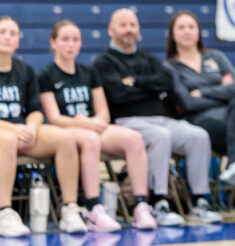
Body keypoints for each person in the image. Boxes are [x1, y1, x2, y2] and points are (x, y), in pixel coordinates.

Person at [92, 8, 222, 225]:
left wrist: (134, 82)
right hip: (128, 121)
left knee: (198, 135)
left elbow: (166, 83)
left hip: (162, 118)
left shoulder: (150, 59)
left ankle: (200, 201)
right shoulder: (104, 62)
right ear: (111, 29)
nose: (128, 30)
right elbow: (118, 95)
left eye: (132, 25)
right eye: (123, 25)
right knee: (160, 136)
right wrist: (150, 88)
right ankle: (158, 202)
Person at [38, 20, 157, 231]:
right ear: (53, 43)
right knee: (91, 140)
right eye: (65, 39)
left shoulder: (89, 72)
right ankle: (94, 208)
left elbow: (103, 111)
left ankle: (141, 205)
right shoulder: (46, 75)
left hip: (92, 126)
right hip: (68, 129)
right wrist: (85, 123)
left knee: (134, 138)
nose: (70, 44)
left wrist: (95, 121)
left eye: (75, 40)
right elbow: (54, 117)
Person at [165, 11, 235, 222]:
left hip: (230, 116)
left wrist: (204, 92)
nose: (187, 31)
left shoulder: (215, 57)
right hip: (199, 122)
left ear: (199, 32)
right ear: (172, 34)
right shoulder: (170, 67)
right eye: (181, 27)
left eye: (192, 26)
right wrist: (219, 91)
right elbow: (187, 103)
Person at [0, 16, 88, 236]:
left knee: (65, 138)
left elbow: (36, 109)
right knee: (6, 139)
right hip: (6, 133)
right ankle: (5, 211)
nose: (7, 37)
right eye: (2, 32)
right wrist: (12, 129)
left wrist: (31, 127)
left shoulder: (25, 70)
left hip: (22, 131)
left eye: (12, 33)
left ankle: (69, 209)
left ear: (18, 41)